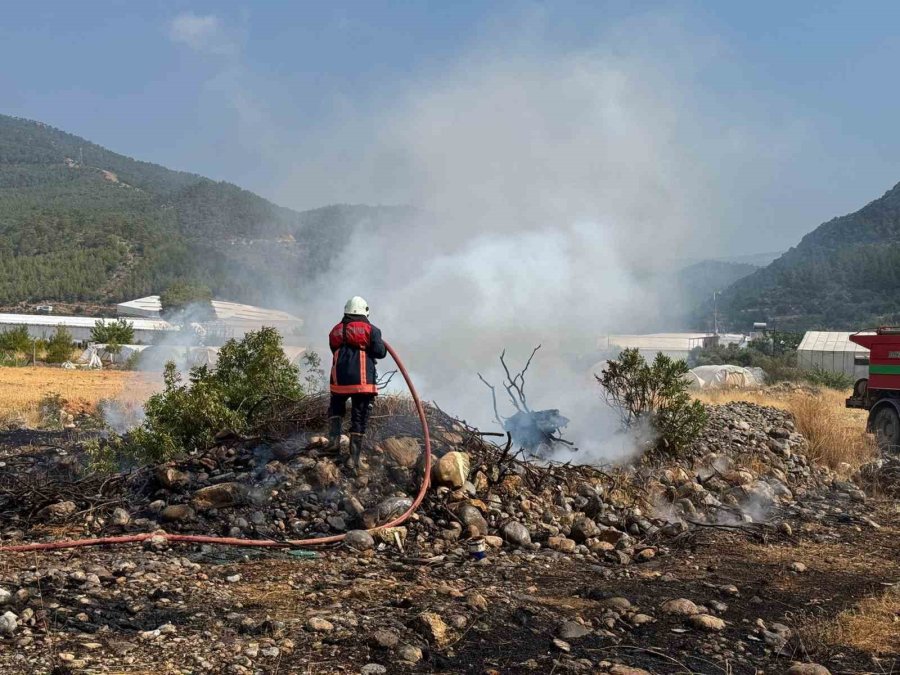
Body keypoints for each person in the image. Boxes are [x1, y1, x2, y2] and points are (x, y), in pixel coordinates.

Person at [327, 296, 387, 471]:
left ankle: (333, 444)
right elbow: (380, 352)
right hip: (361, 381)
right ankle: (353, 459)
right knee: (359, 416)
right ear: (365, 311)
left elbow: (333, 349)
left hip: (339, 379)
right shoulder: (372, 330)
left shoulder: (335, 330)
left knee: (336, 408)